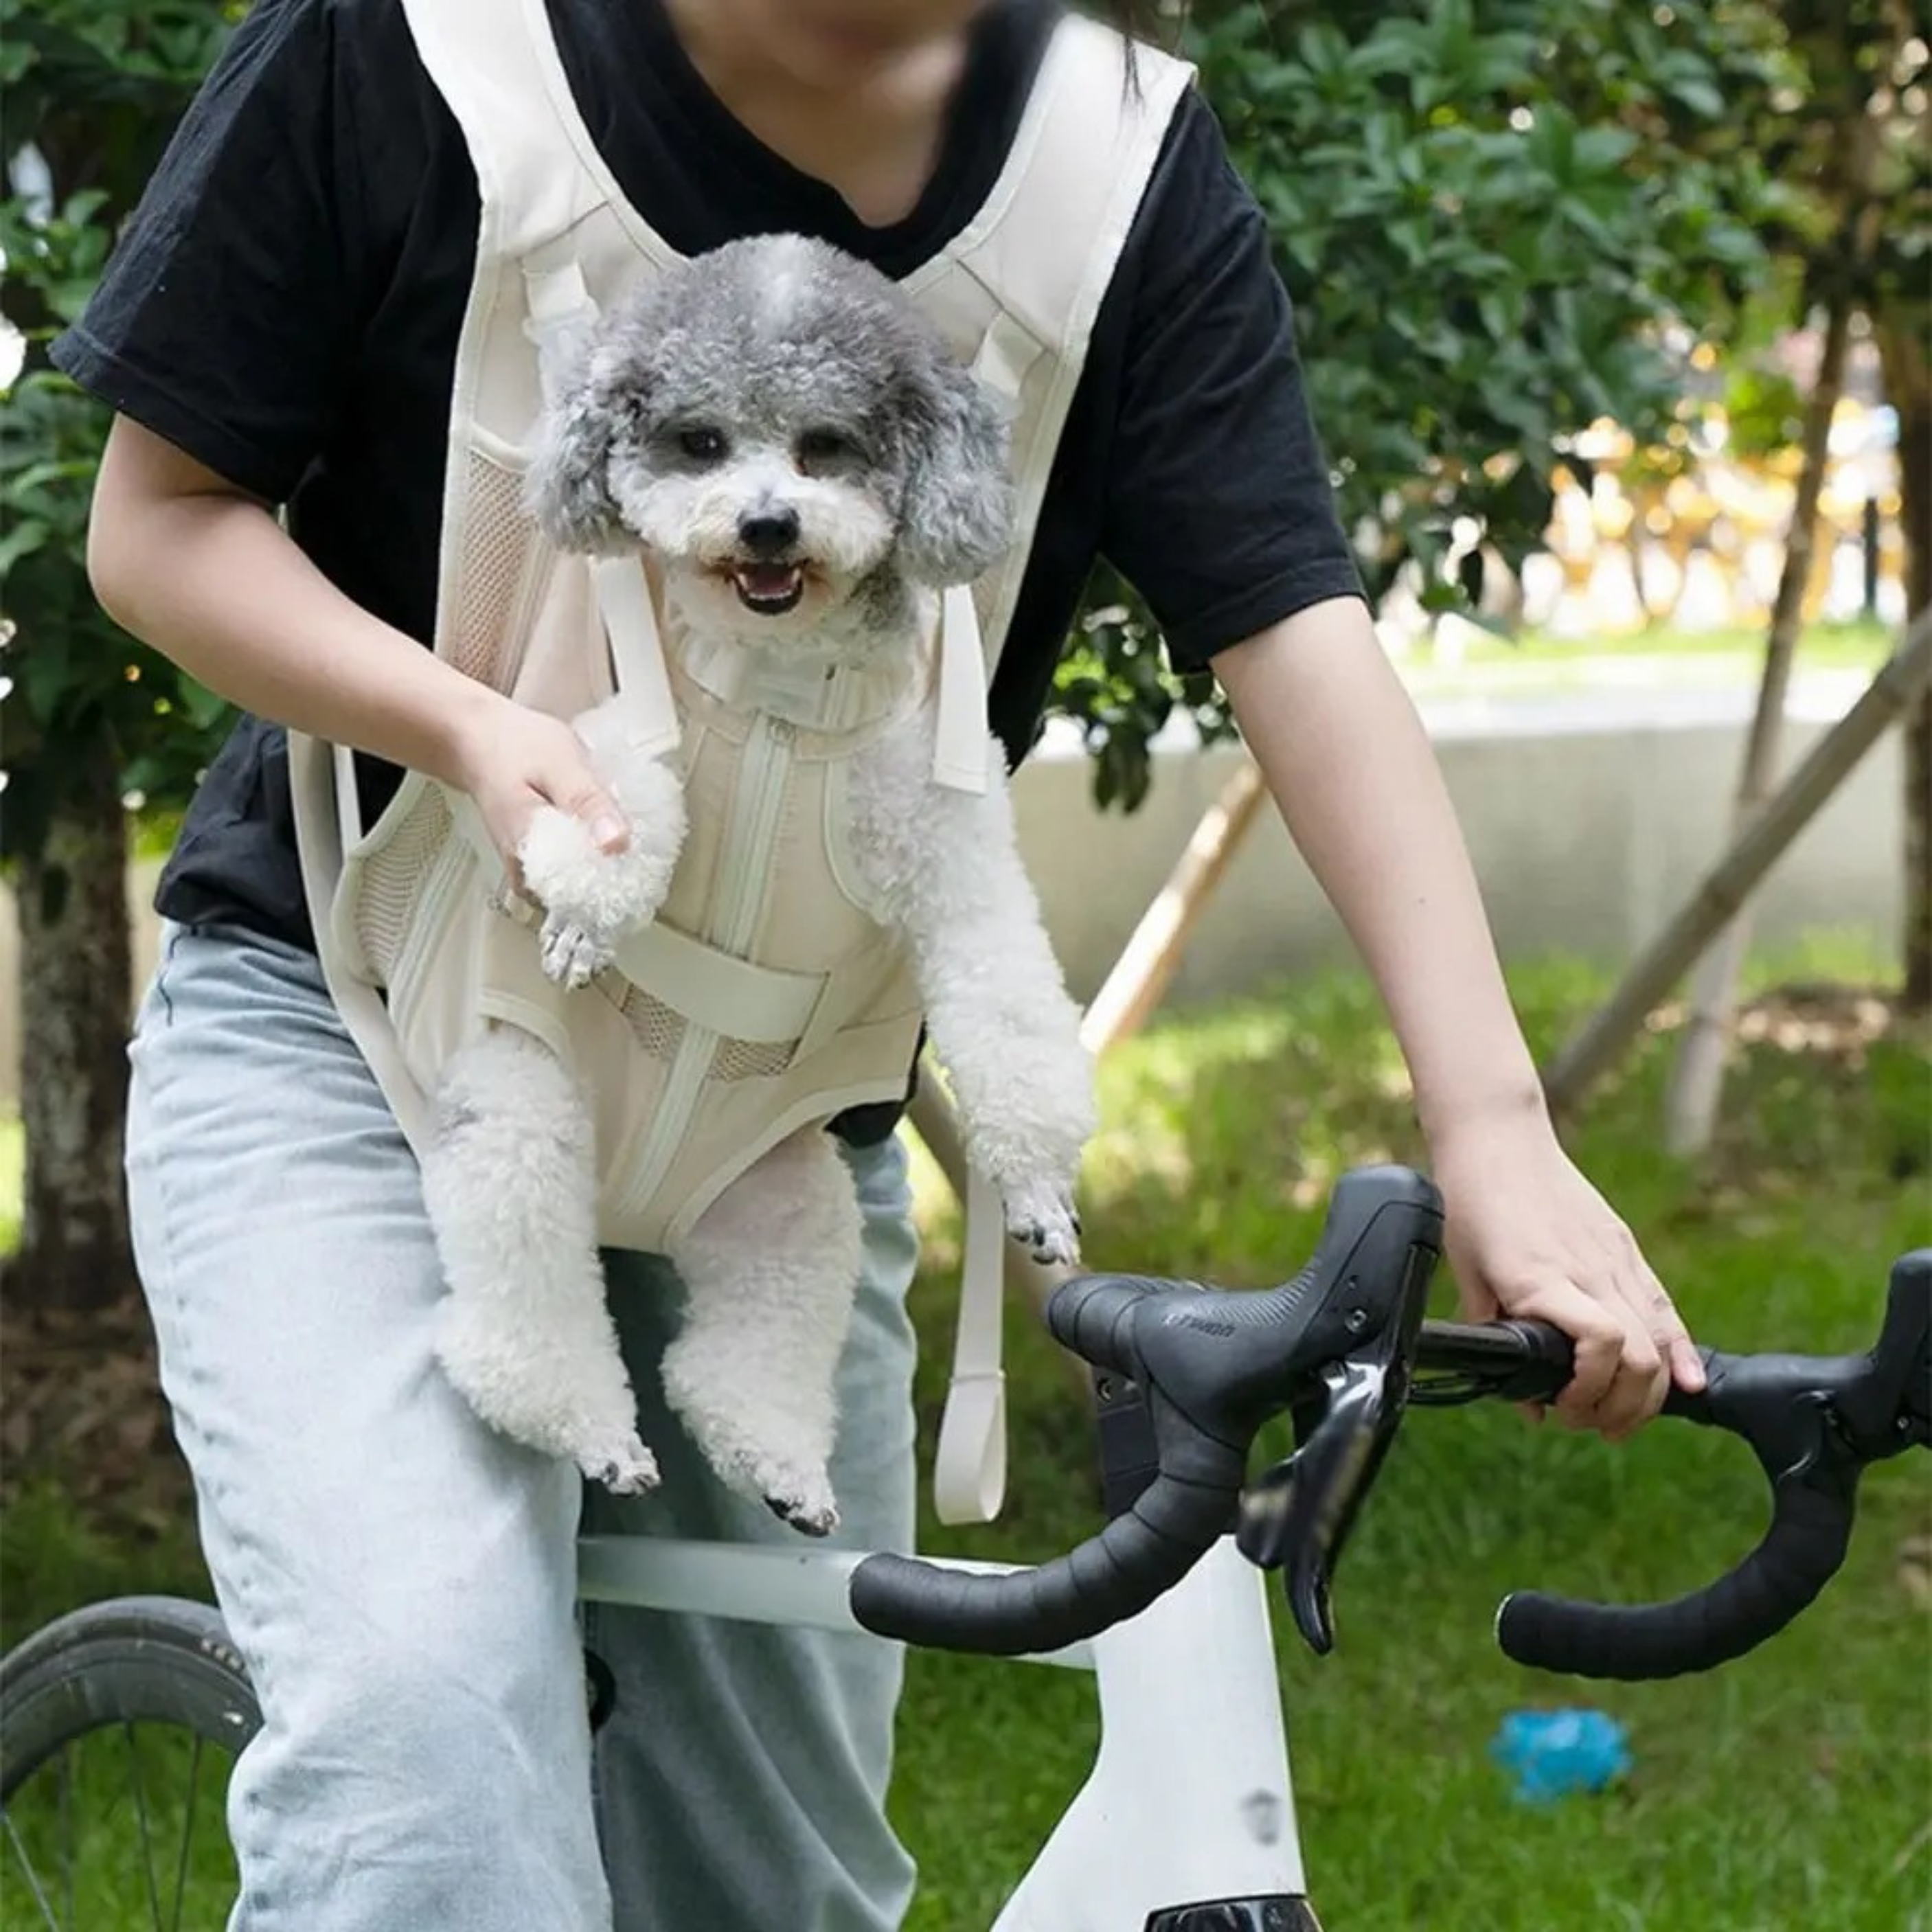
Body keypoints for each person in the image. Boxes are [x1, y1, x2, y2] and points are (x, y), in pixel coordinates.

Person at [56, 0, 1707, 1925]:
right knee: (431, 1775)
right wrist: (473, 731)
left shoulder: (1111, 166)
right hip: (360, 1028)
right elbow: (156, 527)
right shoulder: (415, 46)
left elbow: (1291, 624)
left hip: (764, 1105)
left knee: (771, 1887)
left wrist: (1490, 1120)